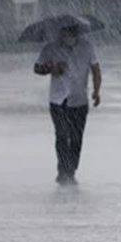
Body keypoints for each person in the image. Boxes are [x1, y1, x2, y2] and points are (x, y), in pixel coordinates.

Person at [34, 25, 101, 185]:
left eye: (71, 32)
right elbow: (37, 68)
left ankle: (71, 169)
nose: (68, 36)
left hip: (79, 100)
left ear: (76, 33)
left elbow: (96, 69)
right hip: (58, 100)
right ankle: (63, 170)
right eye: (64, 32)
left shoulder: (87, 47)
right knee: (62, 135)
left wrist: (96, 91)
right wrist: (51, 68)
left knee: (77, 137)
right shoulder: (50, 48)